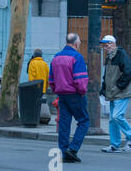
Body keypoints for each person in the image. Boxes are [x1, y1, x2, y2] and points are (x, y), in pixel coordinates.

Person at [49, 33, 90, 163]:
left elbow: (51, 79)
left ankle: (63, 151)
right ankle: (72, 149)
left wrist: (57, 91)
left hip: (62, 94)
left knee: (64, 123)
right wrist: (82, 92)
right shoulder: (77, 57)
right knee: (84, 121)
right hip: (75, 94)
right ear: (76, 44)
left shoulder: (56, 57)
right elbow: (80, 79)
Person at [99, 35, 131, 153]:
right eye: (104, 45)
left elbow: (128, 72)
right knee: (113, 119)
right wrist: (103, 89)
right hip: (113, 92)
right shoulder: (109, 57)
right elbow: (106, 75)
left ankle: (129, 138)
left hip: (121, 92)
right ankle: (114, 144)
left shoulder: (121, 54)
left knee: (117, 116)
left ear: (113, 44)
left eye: (107, 45)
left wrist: (118, 87)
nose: (105, 47)